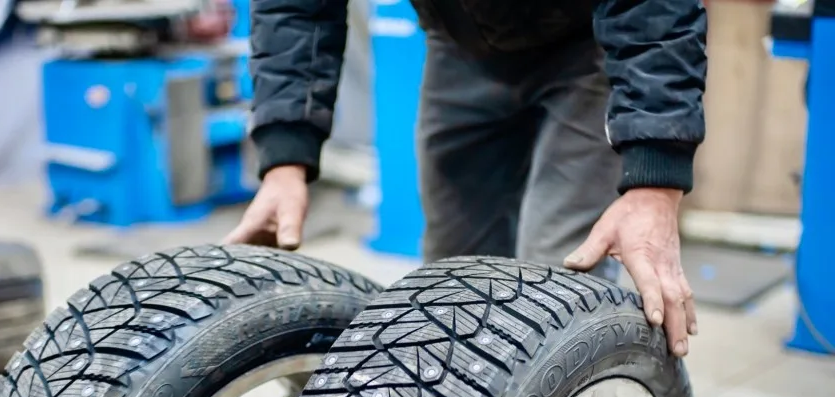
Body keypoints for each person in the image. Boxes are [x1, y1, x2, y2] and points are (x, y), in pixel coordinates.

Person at [223, 0, 707, 358]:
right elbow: (293, 6)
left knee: (556, 292)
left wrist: (653, 179)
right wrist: (285, 158)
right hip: (460, 46)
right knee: (448, 301)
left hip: (590, 43)